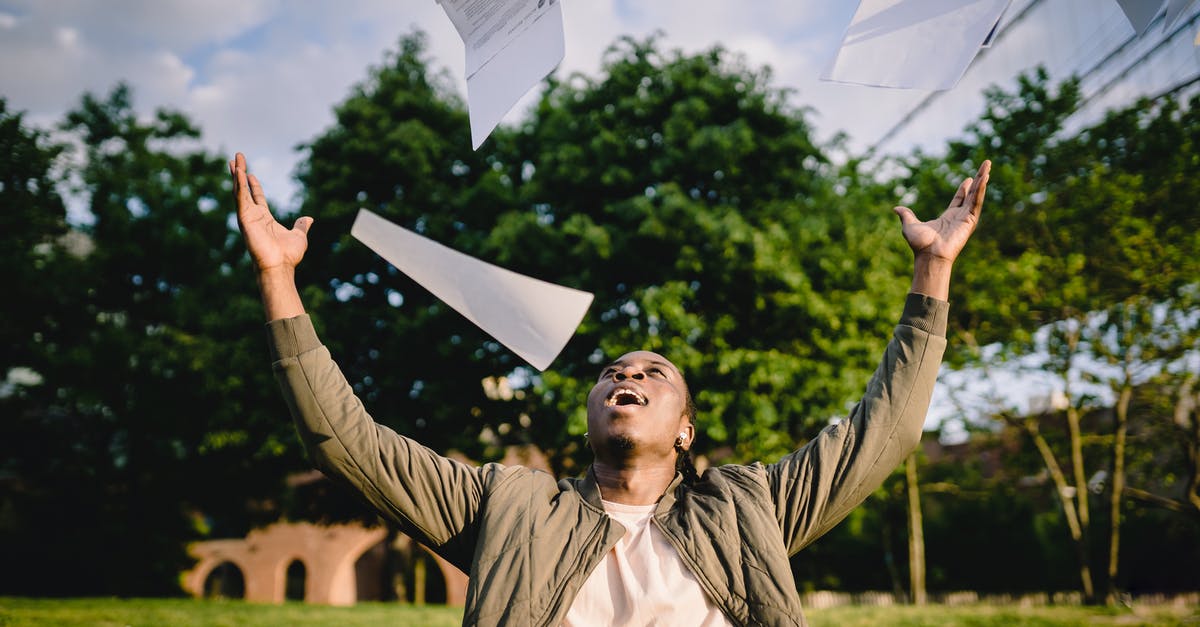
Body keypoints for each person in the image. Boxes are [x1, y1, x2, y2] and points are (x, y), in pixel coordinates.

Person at [231, 152, 990, 626]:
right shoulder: (509, 508)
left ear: (685, 429)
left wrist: (933, 272)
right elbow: (346, 440)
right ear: (591, 413)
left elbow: (879, 434)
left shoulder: (749, 506)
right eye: (612, 372)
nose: (626, 374)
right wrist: (278, 279)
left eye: (653, 372)